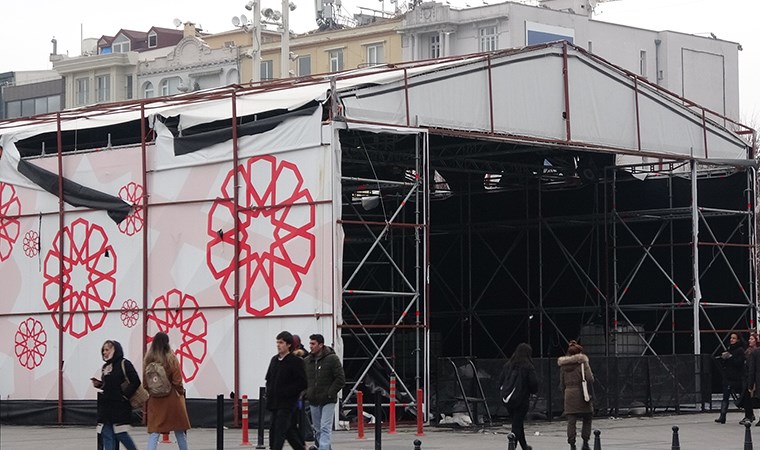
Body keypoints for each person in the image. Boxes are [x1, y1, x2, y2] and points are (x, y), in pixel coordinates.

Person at [143, 332, 191, 450]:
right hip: (172, 399)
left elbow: (145, 382)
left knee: (154, 432)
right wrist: (180, 392)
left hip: (155, 400)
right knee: (179, 430)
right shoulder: (171, 358)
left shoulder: (148, 358)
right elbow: (177, 380)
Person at [92, 340, 140, 450]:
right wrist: (100, 385)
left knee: (121, 434)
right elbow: (108, 385)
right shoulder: (105, 367)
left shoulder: (124, 363)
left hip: (119, 406)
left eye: (107, 349)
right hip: (106, 407)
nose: (104, 352)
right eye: (103, 350)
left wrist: (124, 396)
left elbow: (135, 381)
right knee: (106, 434)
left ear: (115, 350)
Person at [265, 331, 308, 450]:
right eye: (277, 342)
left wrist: (287, 392)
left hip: (287, 403)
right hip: (274, 402)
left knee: (279, 430)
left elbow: (302, 382)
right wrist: (269, 392)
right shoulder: (274, 360)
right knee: (286, 430)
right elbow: (269, 378)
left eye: (281, 342)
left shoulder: (295, 361)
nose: (278, 345)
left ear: (288, 344)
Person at [304, 333, 346, 450]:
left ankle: (323, 448)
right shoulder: (307, 361)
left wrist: (330, 393)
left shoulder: (332, 359)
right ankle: (324, 447)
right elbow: (303, 379)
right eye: (310, 343)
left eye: (313, 344)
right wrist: (306, 393)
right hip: (314, 400)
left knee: (325, 427)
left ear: (321, 345)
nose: (311, 346)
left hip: (328, 400)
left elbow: (340, 379)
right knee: (317, 429)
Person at [498, 342, 538, 450]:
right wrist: (533, 391)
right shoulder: (528, 367)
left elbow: (501, 381)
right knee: (517, 424)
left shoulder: (508, 365)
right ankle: (512, 443)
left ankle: (524, 446)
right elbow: (533, 383)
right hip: (522, 399)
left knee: (518, 422)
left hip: (508, 399)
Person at [558, 340, 594, 450]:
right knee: (587, 417)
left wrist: (565, 393)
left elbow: (561, 383)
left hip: (569, 394)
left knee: (571, 421)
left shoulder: (563, 366)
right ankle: (585, 442)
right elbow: (590, 379)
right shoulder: (582, 363)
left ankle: (572, 444)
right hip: (582, 393)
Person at [715, 332, 745, 424]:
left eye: (734, 338)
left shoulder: (740, 350)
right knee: (725, 396)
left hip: (736, 377)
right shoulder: (729, 348)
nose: (731, 340)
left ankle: (748, 413)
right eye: (731, 338)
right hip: (727, 376)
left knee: (743, 396)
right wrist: (724, 358)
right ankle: (722, 415)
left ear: (738, 340)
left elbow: (739, 363)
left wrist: (730, 357)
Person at [740, 332, 759, 425]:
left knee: (750, 397)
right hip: (747, 377)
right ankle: (749, 415)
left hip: (752, 378)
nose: (749, 341)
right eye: (749, 339)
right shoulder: (748, 351)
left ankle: (749, 415)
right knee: (747, 398)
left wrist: (751, 382)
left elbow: (752, 368)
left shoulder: (755, 352)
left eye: (752, 339)